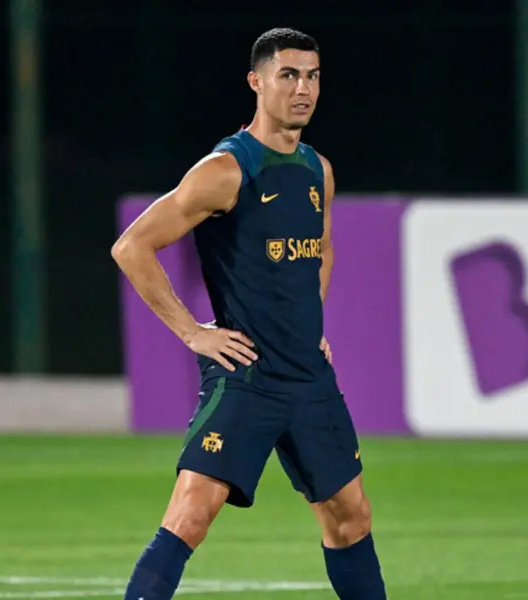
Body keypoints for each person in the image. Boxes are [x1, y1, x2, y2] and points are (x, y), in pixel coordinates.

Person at [112, 28, 386, 600]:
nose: (303, 88)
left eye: (312, 76)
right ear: (256, 82)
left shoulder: (318, 170)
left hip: (308, 378)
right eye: (288, 75)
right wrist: (191, 332)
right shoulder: (225, 170)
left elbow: (321, 250)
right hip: (248, 377)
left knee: (350, 517)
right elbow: (132, 246)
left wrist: (312, 326)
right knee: (189, 518)